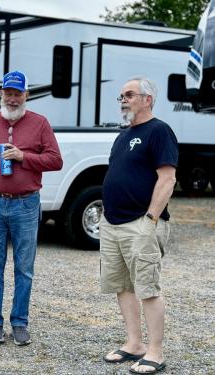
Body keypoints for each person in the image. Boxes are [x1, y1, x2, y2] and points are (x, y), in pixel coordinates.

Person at [0, 70, 63, 346]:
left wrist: (25, 157)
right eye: (8, 93)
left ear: (27, 95)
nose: (12, 99)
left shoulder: (40, 124)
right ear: (1, 94)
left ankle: (20, 322)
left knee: (24, 268)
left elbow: (55, 160)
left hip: (25, 204)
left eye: (17, 94)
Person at [100, 77, 178, 374]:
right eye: (121, 95)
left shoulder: (159, 131)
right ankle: (134, 344)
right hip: (113, 223)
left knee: (148, 288)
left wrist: (151, 220)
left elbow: (167, 178)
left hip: (141, 223)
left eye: (129, 94)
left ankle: (155, 352)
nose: (123, 99)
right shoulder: (124, 135)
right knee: (122, 286)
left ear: (148, 99)